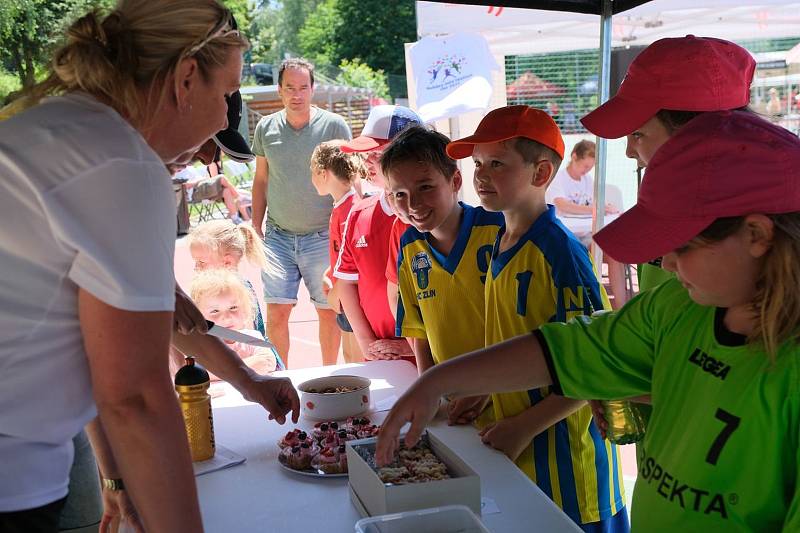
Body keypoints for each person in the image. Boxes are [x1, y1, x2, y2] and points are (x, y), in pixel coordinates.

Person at [378, 110, 800, 531]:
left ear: (757, 235)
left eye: (685, 244)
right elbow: (566, 348)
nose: (667, 263)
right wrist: (437, 382)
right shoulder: (674, 307)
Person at [0, 3, 298, 532]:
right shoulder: (119, 162)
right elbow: (133, 395)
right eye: (226, 93)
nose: (223, 117)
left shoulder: (53, 131)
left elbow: (106, 343)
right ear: (186, 77)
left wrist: (247, 381)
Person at [444, 105, 627, 532]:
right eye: (476, 164)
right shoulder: (500, 245)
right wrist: (486, 389)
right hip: (523, 454)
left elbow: (597, 365)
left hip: (573, 472)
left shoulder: (562, 254)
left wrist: (524, 424)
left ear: (541, 173)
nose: (481, 175)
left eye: (497, 164)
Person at [579, 34, 757, 434]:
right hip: (669, 436)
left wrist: (631, 383)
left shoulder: (747, 237)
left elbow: (738, 379)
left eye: (638, 134)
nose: (628, 152)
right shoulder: (666, 208)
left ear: (698, 135)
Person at [250, 57, 352, 368]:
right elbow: (261, 179)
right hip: (278, 237)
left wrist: (346, 229)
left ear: (313, 89)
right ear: (279, 90)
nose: (297, 94)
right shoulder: (266, 128)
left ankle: (329, 374)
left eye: (303, 88)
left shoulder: (334, 126)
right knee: (277, 311)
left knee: (328, 309)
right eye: (290, 88)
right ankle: (282, 379)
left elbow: (350, 178)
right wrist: (256, 227)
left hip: (323, 235)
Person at [334, 105, 422, 361]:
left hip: (433, 356)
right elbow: (347, 282)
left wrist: (413, 346)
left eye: (378, 153)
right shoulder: (360, 212)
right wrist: (367, 343)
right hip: (380, 355)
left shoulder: (434, 217)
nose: (367, 161)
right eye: (366, 153)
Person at [546, 140, 628, 308]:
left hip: (587, 237)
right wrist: (596, 209)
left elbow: (595, 203)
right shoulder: (558, 178)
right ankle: (594, 304)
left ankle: (622, 309)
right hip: (567, 240)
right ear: (574, 157)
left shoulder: (587, 179)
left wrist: (605, 208)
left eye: (590, 168)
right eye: (585, 166)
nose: (586, 171)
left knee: (614, 253)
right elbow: (562, 205)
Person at [310, 140, 366, 363]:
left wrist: (338, 292)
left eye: (312, 173)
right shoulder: (342, 204)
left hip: (353, 297)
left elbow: (357, 260)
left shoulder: (351, 209)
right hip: (346, 294)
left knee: (357, 359)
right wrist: (331, 270)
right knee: (350, 355)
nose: (312, 180)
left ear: (323, 174)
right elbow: (343, 252)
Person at [188, 219, 268, 337]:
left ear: (227, 262)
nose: (196, 267)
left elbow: (250, 335)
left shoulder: (238, 291)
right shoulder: (203, 289)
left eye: (202, 262)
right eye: (195, 261)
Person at [190, 269, 278, 376]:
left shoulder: (252, 337)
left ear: (245, 308)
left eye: (233, 307)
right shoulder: (198, 344)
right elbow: (196, 373)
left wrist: (219, 370)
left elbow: (267, 362)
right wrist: (249, 366)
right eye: (215, 311)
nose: (226, 318)